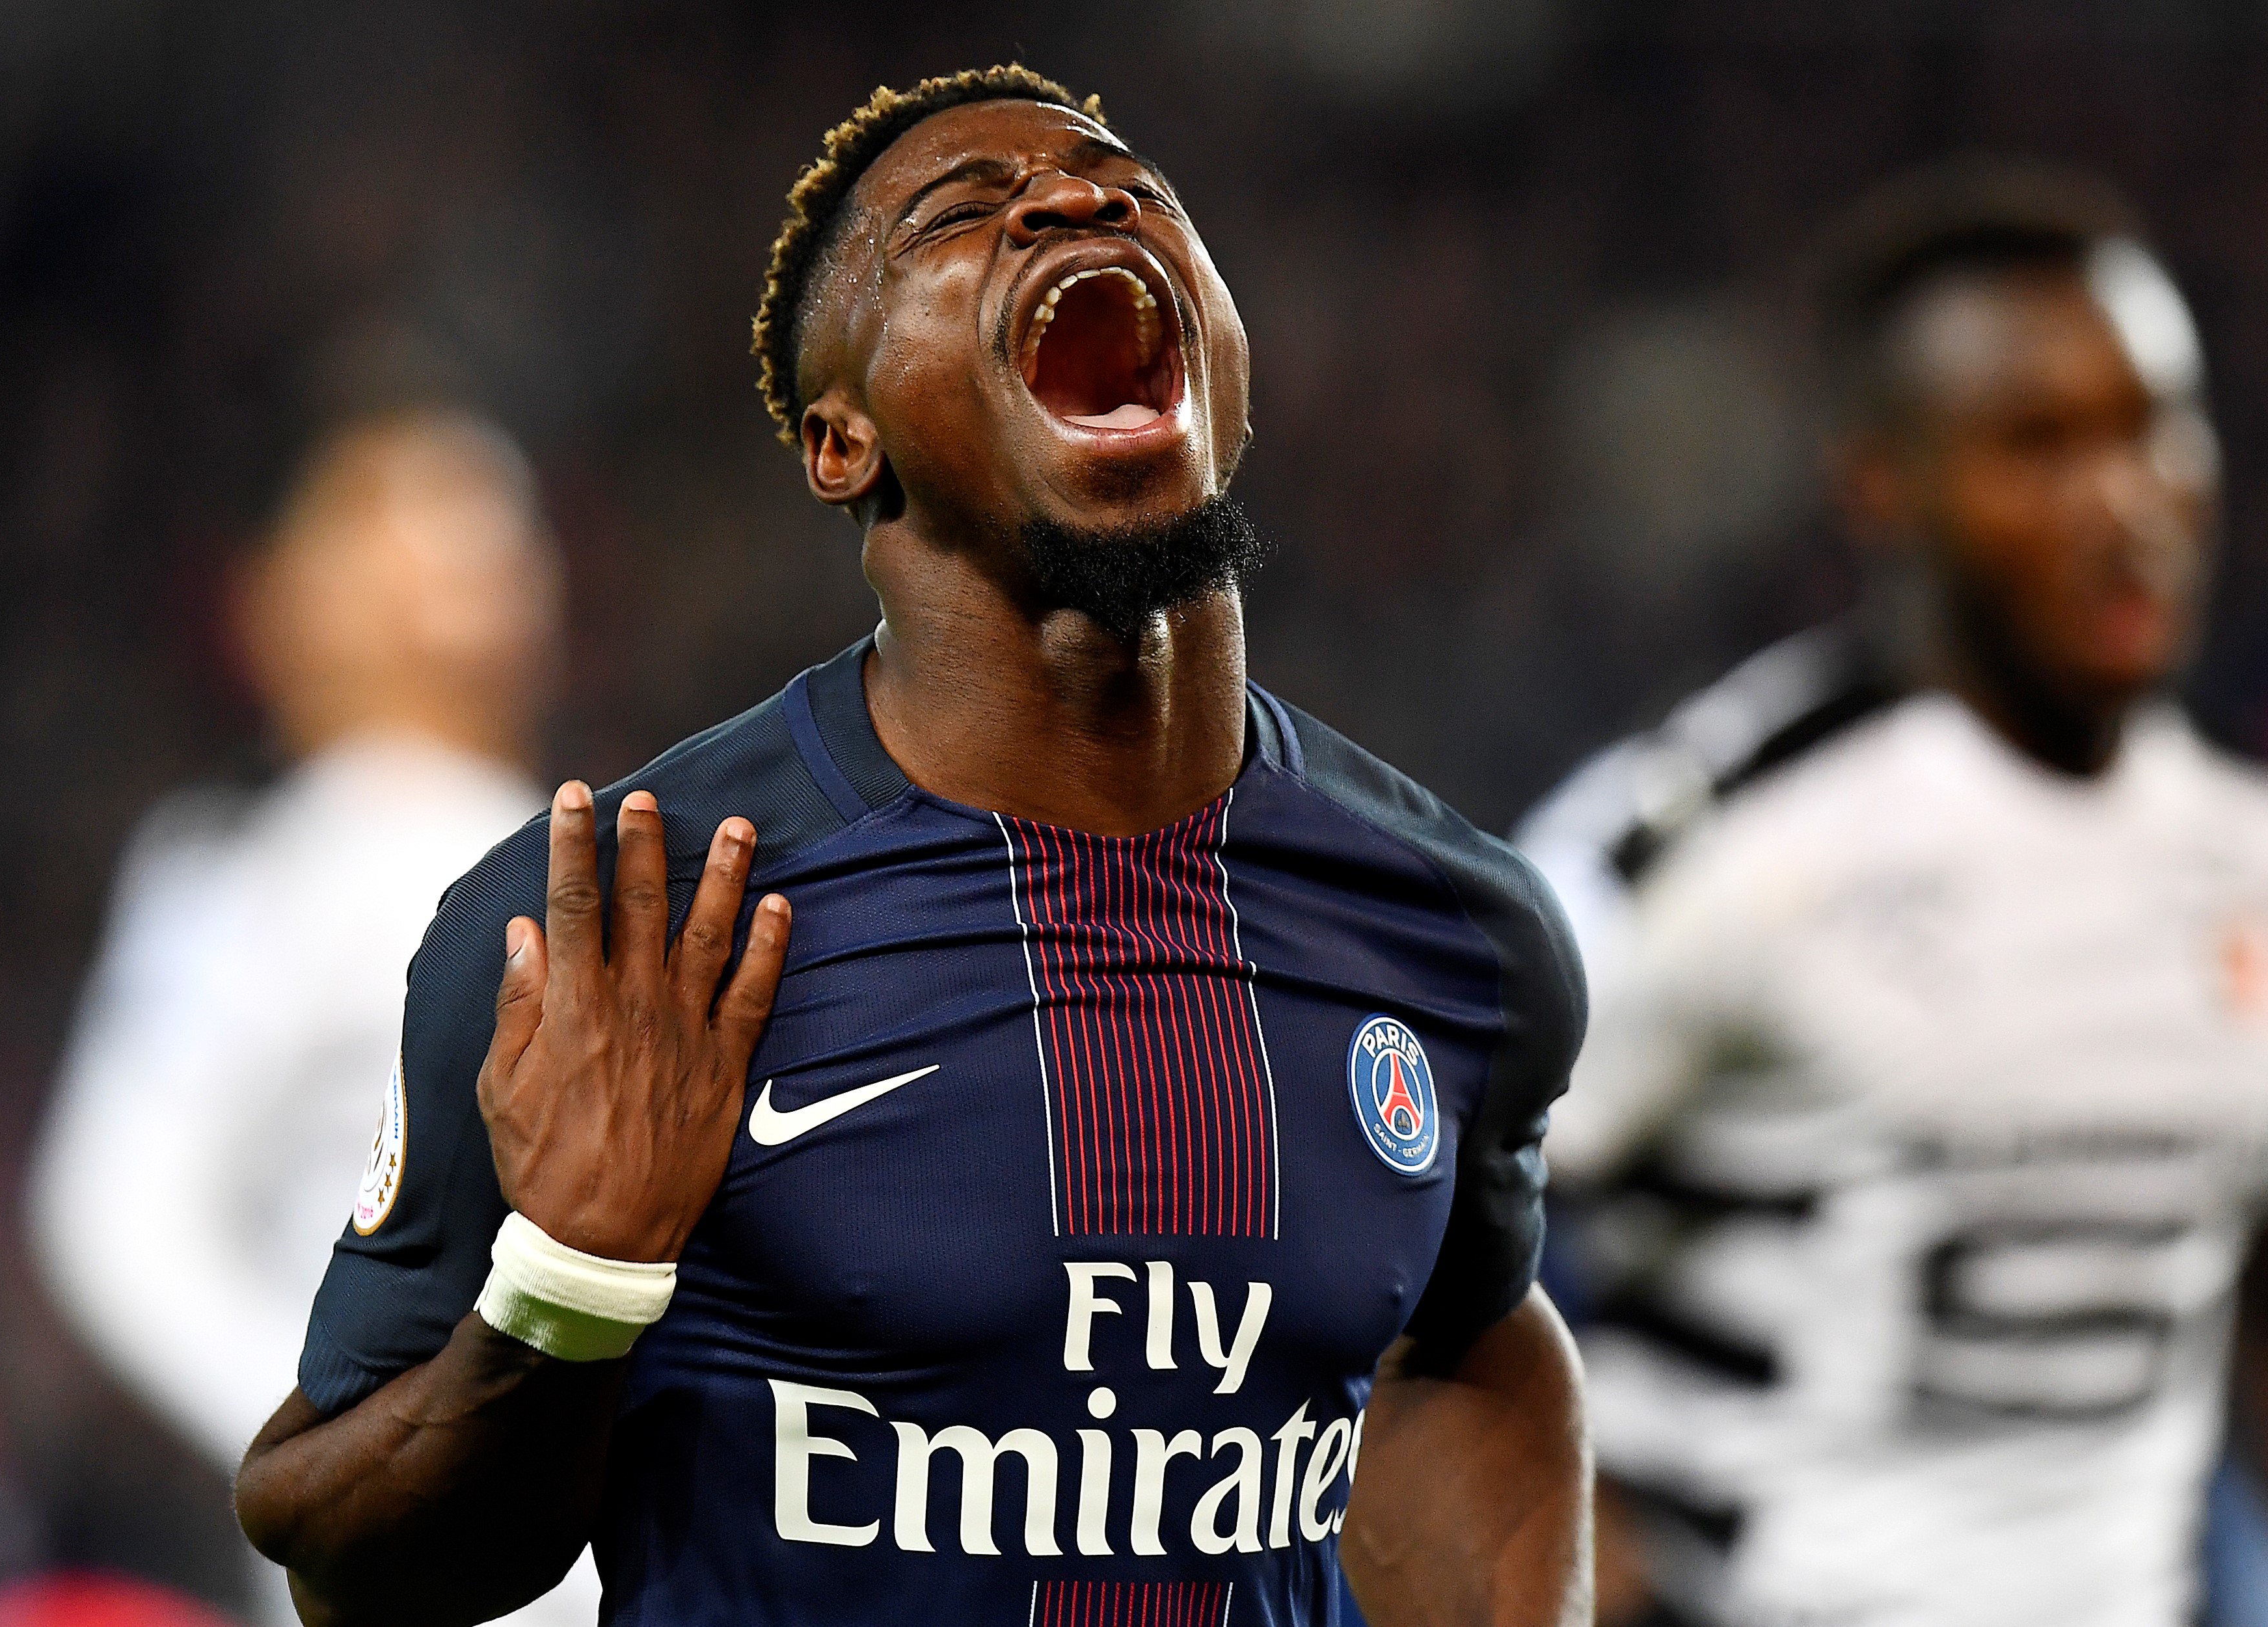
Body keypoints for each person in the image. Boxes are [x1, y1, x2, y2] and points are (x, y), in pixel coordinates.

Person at [233, 65, 1592, 1626]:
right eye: (961, 216)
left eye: (1132, 189)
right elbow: (341, 1564)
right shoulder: (623, 927)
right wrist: (573, 1286)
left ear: (1223, 354)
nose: (1075, 202)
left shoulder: (1458, 934)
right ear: (840, 440)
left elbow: (1475, 1340)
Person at [1515, 163, 2268, 1627]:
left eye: (2153, 426)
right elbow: (1388, 1270)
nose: (2123, 499)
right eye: (2035, 443)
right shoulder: (1703, 855)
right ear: (1880, 481)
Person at [31, 407, 601, 1625]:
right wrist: (333, 1434)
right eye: (405, 505)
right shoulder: (256, 864)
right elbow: (116, 1212)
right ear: (290, 592)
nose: (476, 538)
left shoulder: (576, 834)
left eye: (495, 507)